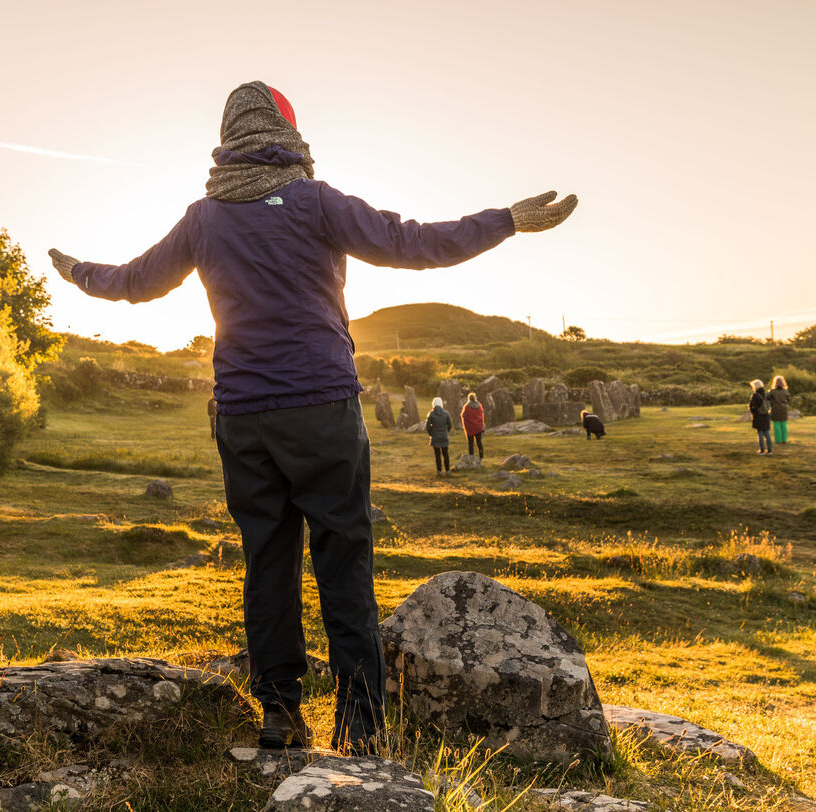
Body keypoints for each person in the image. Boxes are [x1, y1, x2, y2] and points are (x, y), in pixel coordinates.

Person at [47, 81, 578, 753]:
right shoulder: (316, 202)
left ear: (228, 140)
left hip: (242, 419)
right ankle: (360, 729)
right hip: (322, 410)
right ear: (288, 136)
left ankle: (279, 714)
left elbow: (133, 282)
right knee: (343, 562)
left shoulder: (203, 218)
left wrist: (77, 273)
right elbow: (414, 244)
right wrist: (506, 220)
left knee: (268, 562)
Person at [427, 397, 454, 474]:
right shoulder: (446, 413)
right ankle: (448, 470)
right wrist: (446, 431)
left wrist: (431, 434)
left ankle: (439, 471)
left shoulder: (431, 414)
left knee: (437, 455)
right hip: (444, 436)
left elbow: (428, 426)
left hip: (435, 437)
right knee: (446, 454)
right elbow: (450, 424)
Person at [749, 379, 773, 454]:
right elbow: (770, 404)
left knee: (760, 433)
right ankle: (769, 450)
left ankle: (762, 450)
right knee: (767, 433)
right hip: (766, 415)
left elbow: (751, 406)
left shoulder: (755, 395)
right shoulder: (767, 395)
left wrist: (754, 413)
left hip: (758, 416)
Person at [461, 392, 485, 459]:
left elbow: (463, 416)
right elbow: (481, 415)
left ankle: (471, 457)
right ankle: (481, 456)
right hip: (478, 428)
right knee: (479, 442)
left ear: (469, 399)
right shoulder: (479, 406)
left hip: (470, 428)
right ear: (475, 398)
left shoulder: (467, 407)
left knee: (471, 443)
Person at [769, 375, 790, 444]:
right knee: (784, 425)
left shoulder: (772, 391)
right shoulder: (785, 391)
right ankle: (784, 439)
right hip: (784, 409)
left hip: (775, 409)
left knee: (776, 425)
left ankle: (778, 440)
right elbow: (788, 400)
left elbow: (767, 399)